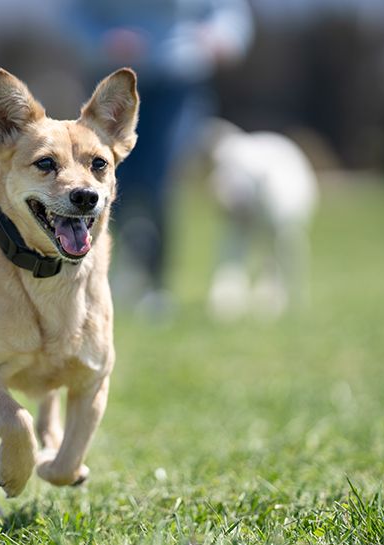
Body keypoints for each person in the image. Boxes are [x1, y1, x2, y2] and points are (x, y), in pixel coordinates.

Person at [67, 0, 253, 316]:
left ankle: (155, 283)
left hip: (179, 83)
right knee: (109, 182)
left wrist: (222, 37)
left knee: (158, 179)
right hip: (113, 82)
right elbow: (71, 15)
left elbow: (231, 14)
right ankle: (104, 275)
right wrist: (102, 40)